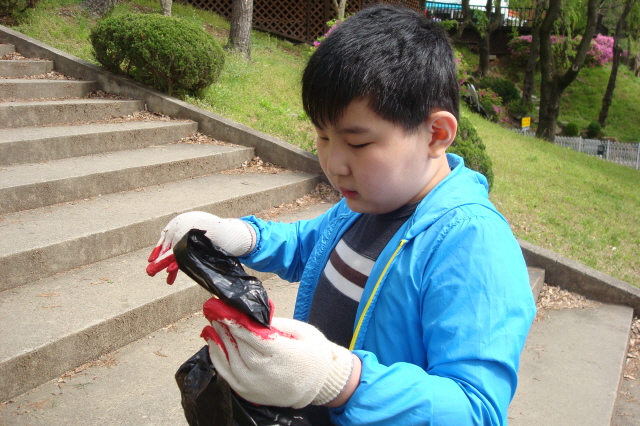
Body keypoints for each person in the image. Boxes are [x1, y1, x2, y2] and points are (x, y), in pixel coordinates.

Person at [146, 4, 536, 425]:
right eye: (322, 135)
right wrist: (238, 235)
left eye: (358, 142)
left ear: (436, 134)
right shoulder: (366, 205)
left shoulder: (473, 243)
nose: (334, 163)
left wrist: (342, 381)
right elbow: (306, 247)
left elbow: (476, 409)